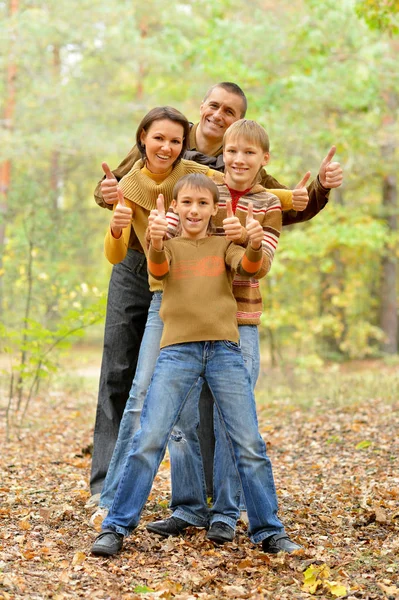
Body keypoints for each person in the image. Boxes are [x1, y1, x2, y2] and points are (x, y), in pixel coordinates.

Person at [89, 81, 343, 504]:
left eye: (230, 111)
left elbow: (277, 200)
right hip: (138, 262)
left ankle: (206, 494)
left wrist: (319, 188)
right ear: (200, 108)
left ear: (237, 127)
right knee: (120, 371)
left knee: (195, 391)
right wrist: (107, 194)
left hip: (195, 280)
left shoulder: (229, 165)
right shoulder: (169, 134)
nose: (218, 115)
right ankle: (105, 486)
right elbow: (116, 185)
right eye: (214, 106)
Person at [92, 120, 288, 541]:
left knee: (247, 442)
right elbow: (157, 268)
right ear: (175, 208)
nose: (195, 210)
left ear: (216, 208)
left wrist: (253, 241)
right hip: (177, 350)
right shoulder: (166, 242)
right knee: (152, 436)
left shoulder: (225, 243)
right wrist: (157, 242)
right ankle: (116, 523)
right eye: (187, 204)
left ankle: (266, 528)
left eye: (203, 203)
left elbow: (255, 266)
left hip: (224, 348)